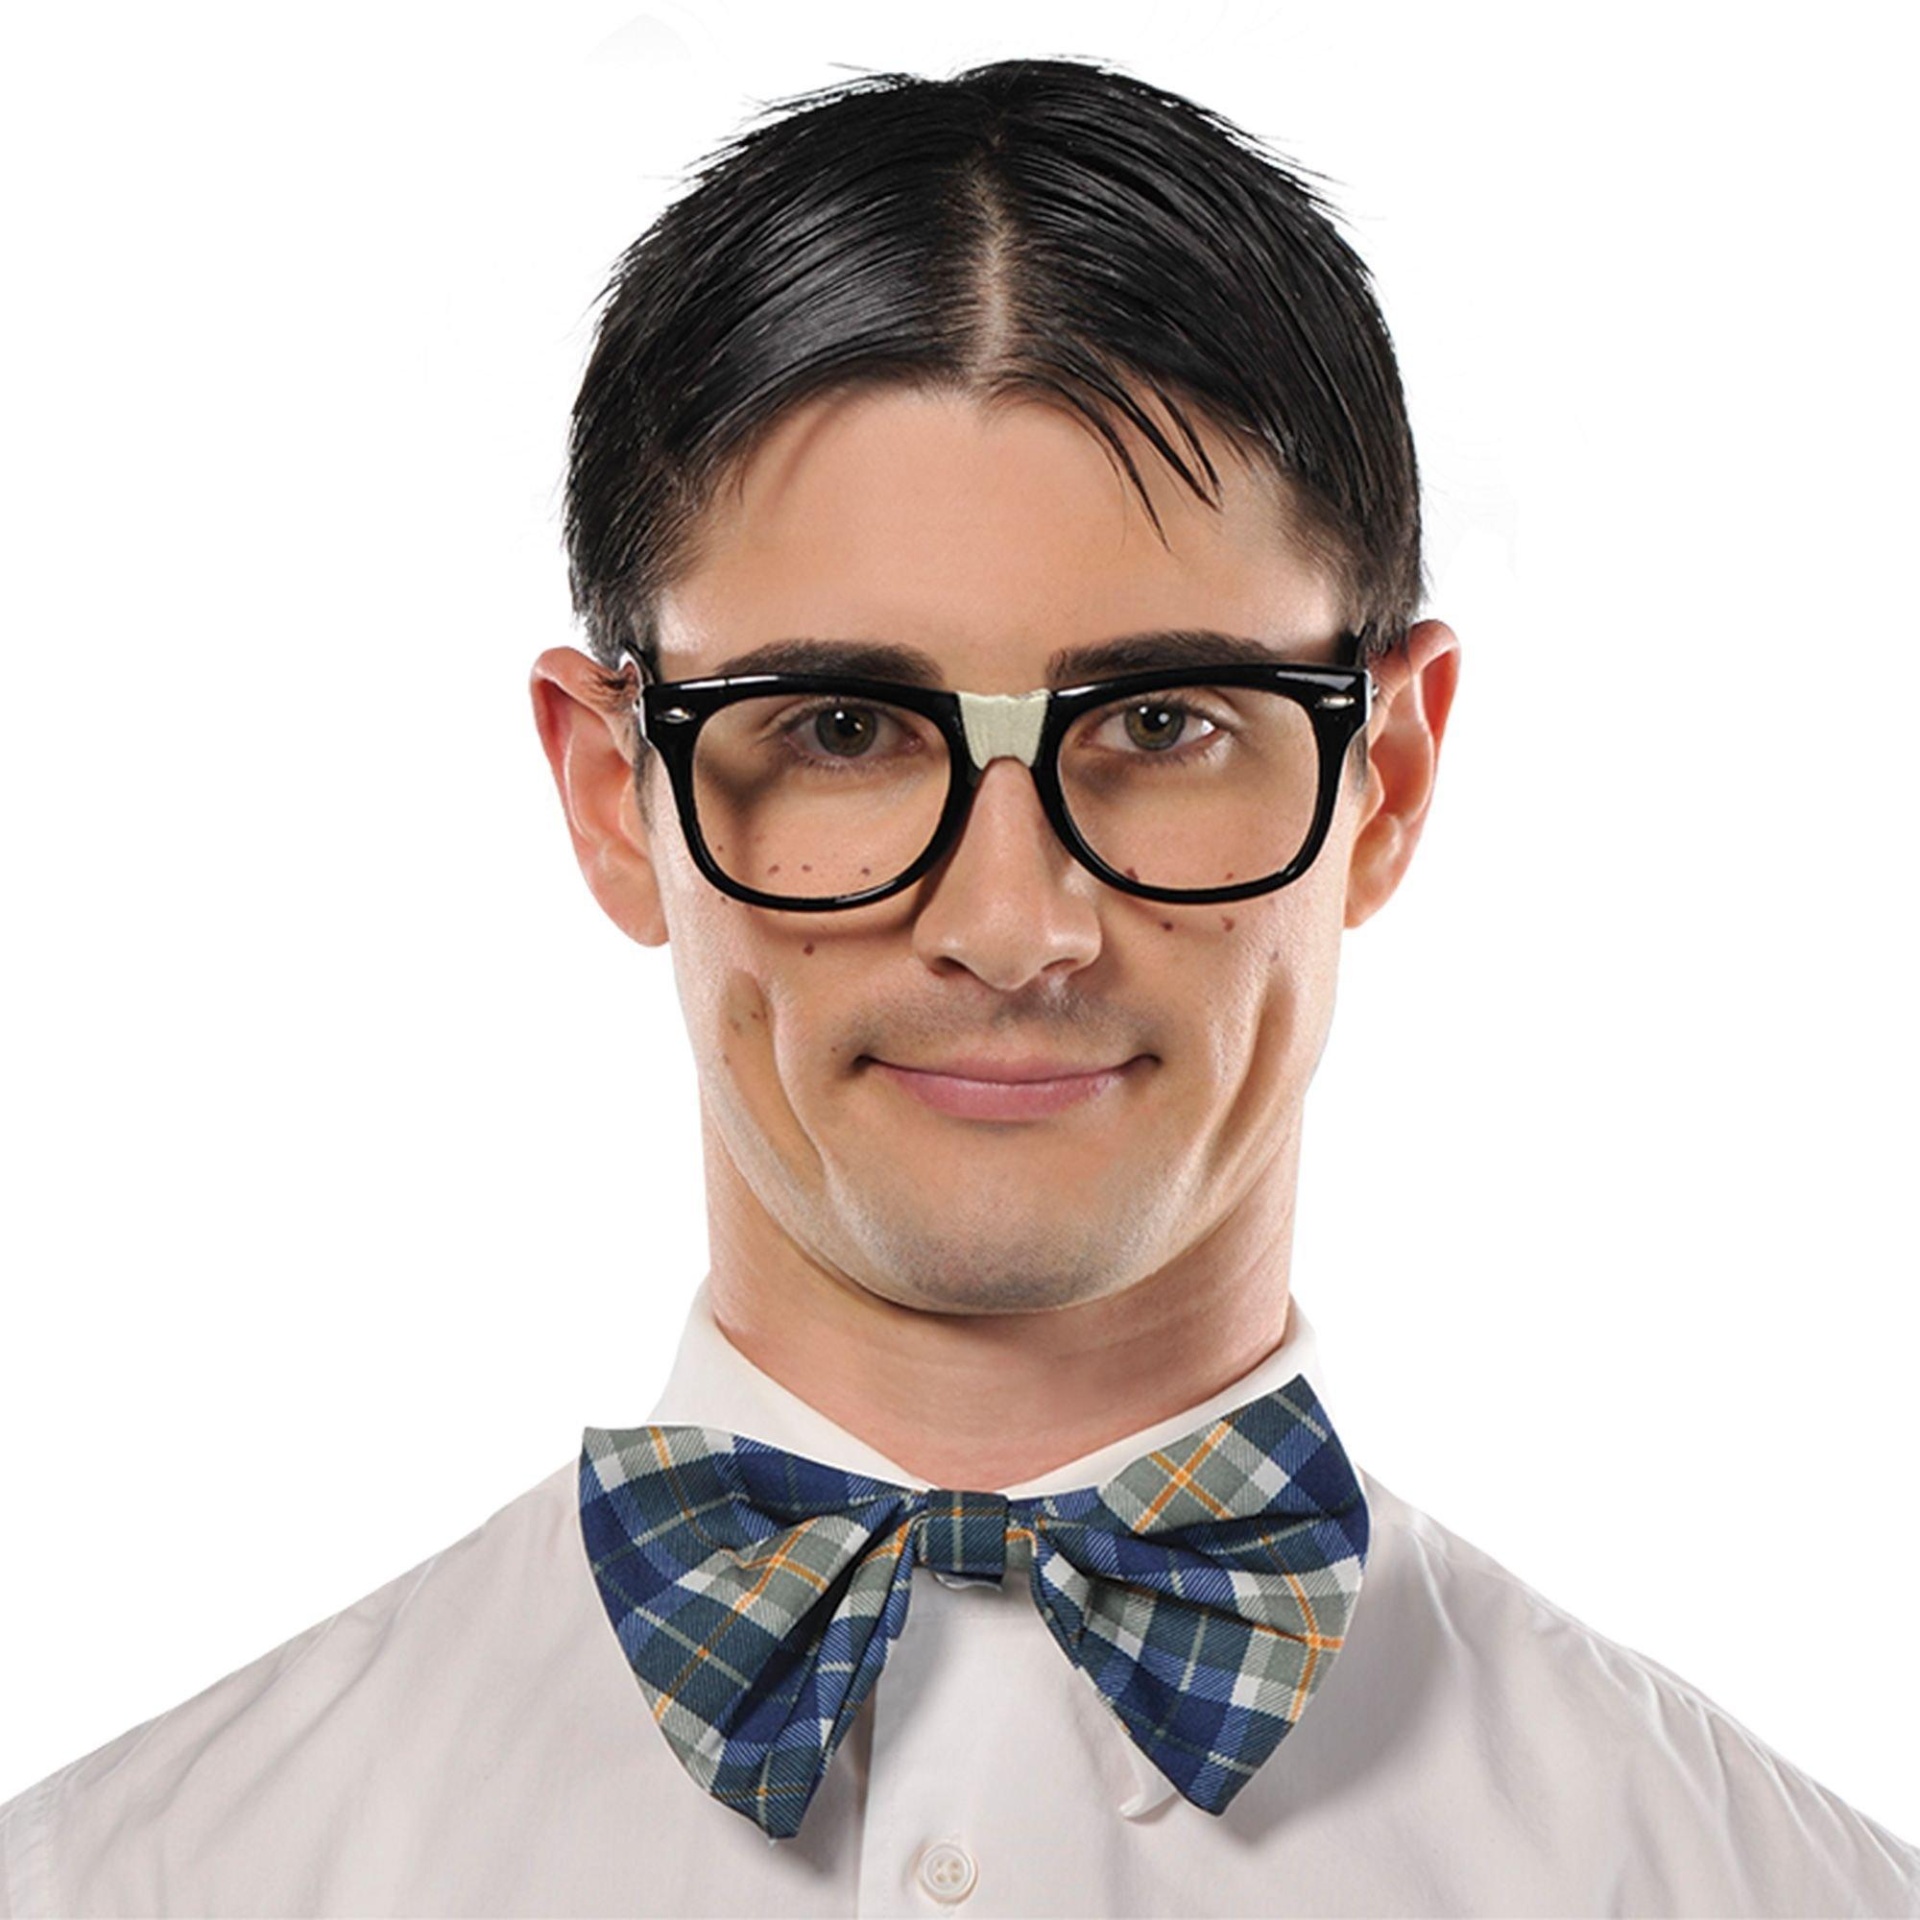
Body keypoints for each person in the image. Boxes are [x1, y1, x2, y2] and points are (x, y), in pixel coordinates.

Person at [2, 55, 1915, 1920]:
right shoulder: (127, 1883)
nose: (1011, 923)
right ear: (608, 797)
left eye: (1163, 720)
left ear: (1388, 778)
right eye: (841, 726)